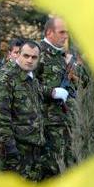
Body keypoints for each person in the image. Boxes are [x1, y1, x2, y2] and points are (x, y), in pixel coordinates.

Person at [0, 41, 45, 181]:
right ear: (18, 55)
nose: (29, 60)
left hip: (33, 149)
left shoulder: (33, 80)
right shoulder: (7, 78)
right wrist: (9, 146)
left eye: (34, 57)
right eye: (26, 55)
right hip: (15, 150)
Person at [36, 17, 73, 177]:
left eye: (67, 32)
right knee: (50, 171)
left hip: (64, 121)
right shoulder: (36, 52)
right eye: (62, 32)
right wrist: (52, 92)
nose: (65, 36)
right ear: (49, 33)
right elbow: (25, 83)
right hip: (45, 124)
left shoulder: (61, 55)